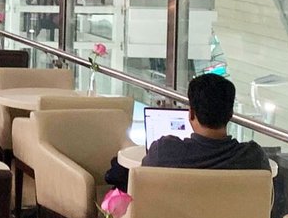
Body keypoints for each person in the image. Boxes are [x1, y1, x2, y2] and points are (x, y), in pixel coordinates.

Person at [105, 73, 270, 191]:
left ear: (191, 113)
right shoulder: (254, 158)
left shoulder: (164, 152)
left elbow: (143, 190)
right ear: (230, 114)